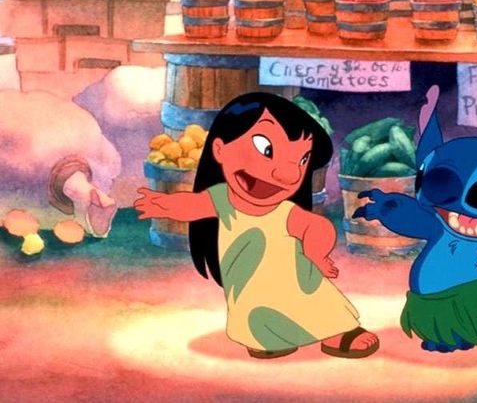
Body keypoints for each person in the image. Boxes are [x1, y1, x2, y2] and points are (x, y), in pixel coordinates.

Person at [134, 92, 379, 359]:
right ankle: (269, 338)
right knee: (256, 316)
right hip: (249, 288)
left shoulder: (285, 211)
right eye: (266, 149)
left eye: (301, 160)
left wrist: (315, 253)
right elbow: (194, 205)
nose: (288, 174)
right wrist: (165, 205)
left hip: (298, 284)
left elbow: (317, 228)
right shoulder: (223, 199)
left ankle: (336, 333)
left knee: (318, 306)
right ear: (220, 149)